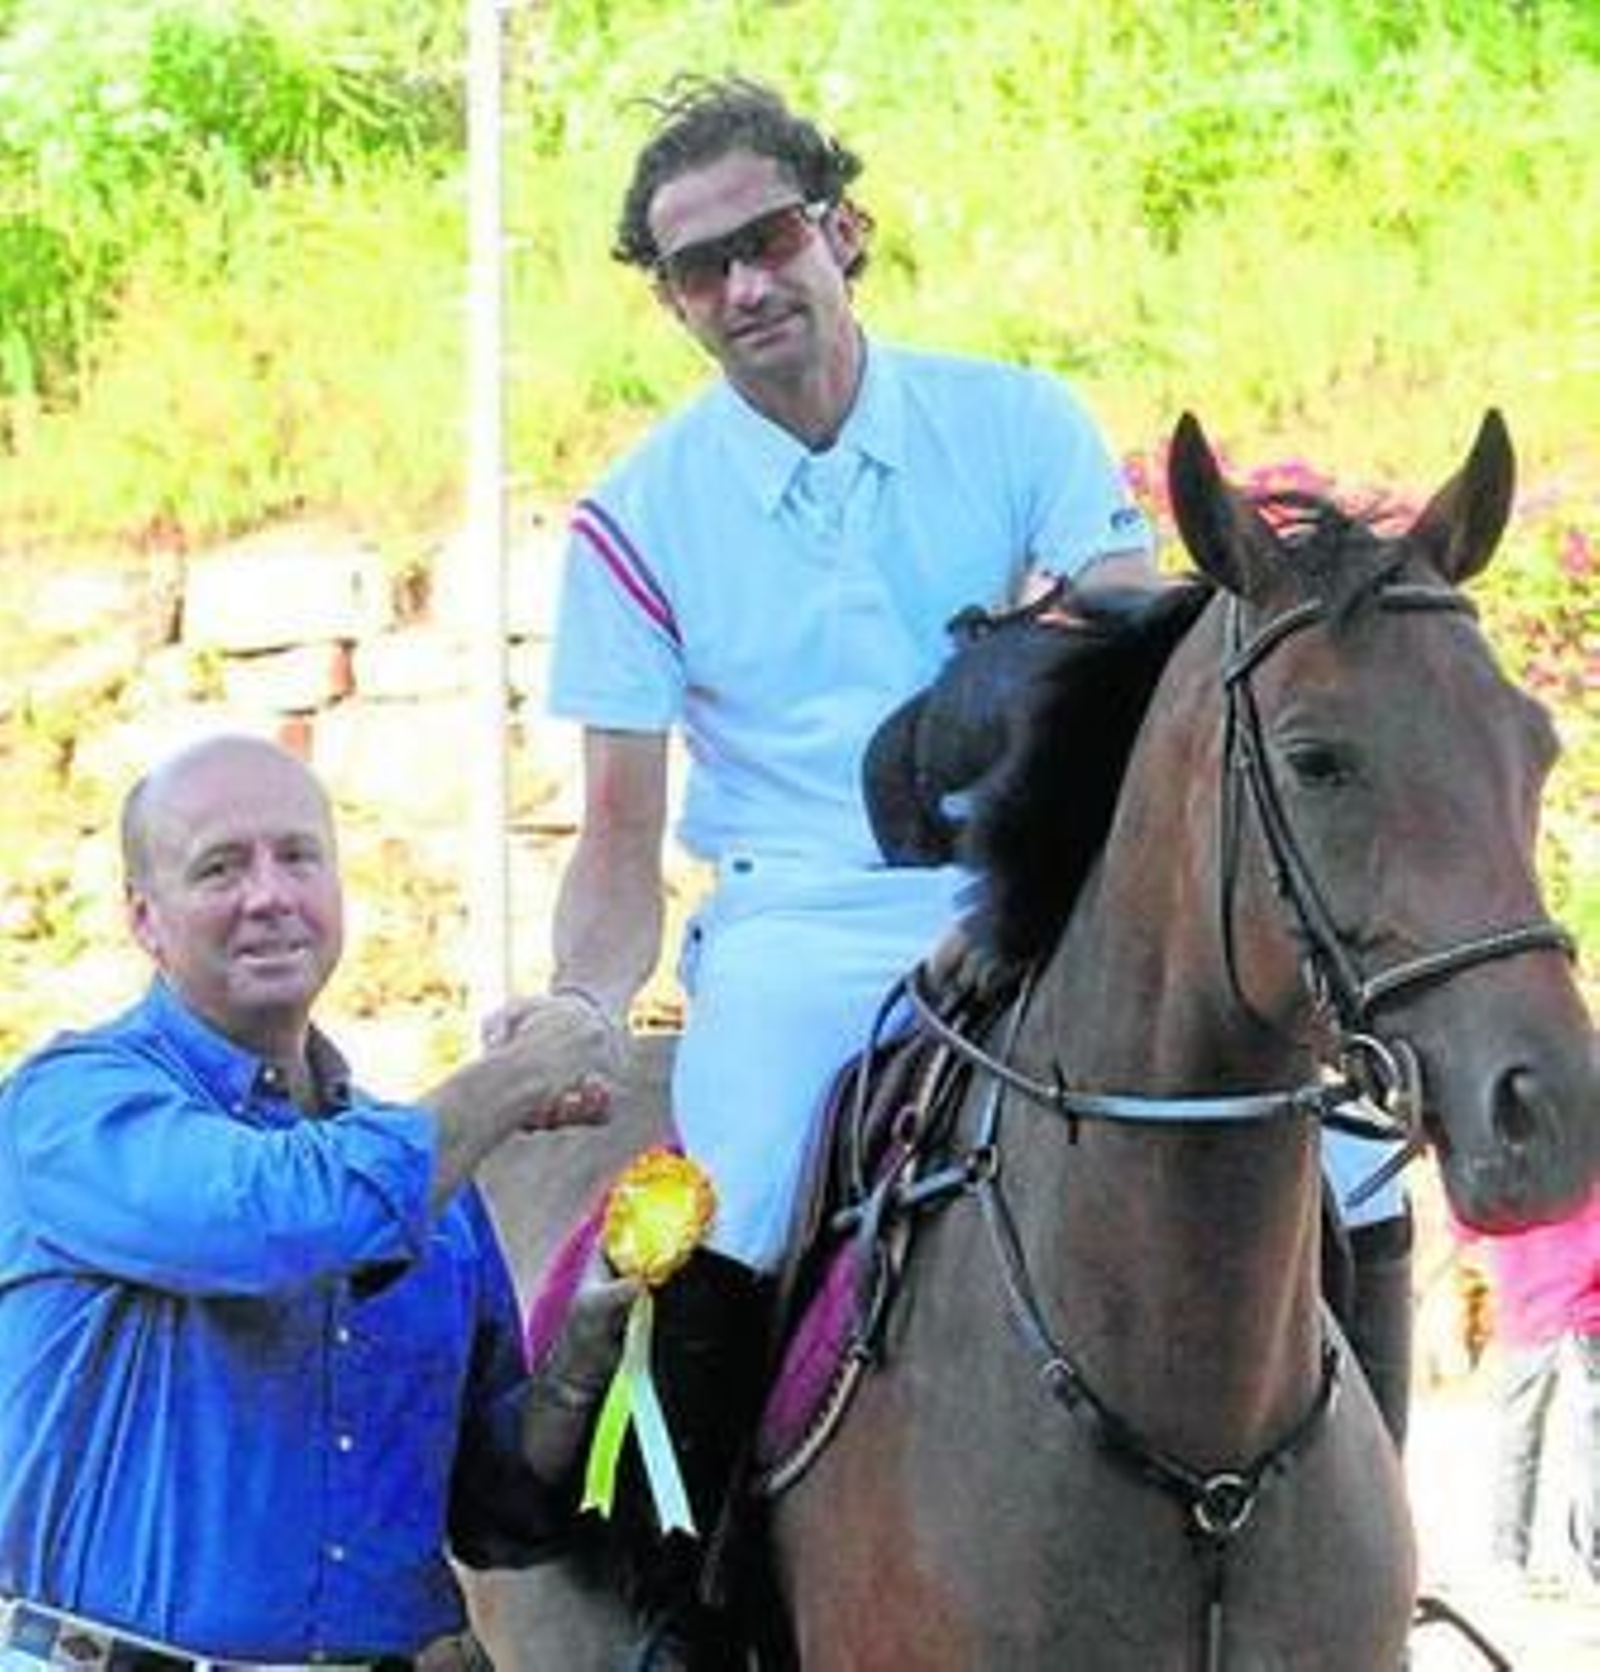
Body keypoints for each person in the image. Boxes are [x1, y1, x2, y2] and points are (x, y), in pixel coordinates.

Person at [512, 73, 1409, 1666]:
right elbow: (617, 834)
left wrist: (1034, 650)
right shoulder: (636, 520)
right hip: (797, 919)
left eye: (767, 239)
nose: (740, 287)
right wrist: (586, 999)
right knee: (750, 1173)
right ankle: (693, 1606)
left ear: (842, 232)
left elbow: (1134, 620)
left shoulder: (1016, 420)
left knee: (1341, 1151)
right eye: (694, 270)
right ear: (671, 303)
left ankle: (1375, 1563)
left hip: (1029, 892)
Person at [0, 734, 633, 1670]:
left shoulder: (433, 1192)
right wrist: (527, 1070)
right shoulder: (70, 1108)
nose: (269, 895)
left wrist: (589, 1356)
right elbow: (277, 1219)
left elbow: (501, 1521)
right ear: (144, 918)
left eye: (298, 856)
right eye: (220, 867)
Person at [1462, 1188, 1600, 1590]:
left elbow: (1468, 1218)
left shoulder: (1510, 1148)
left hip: (1526, 1304)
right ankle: (1589, 1558)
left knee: (1519, 1438)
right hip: (1581, 1308)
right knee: (1590, 1439)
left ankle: (1508, 1556)